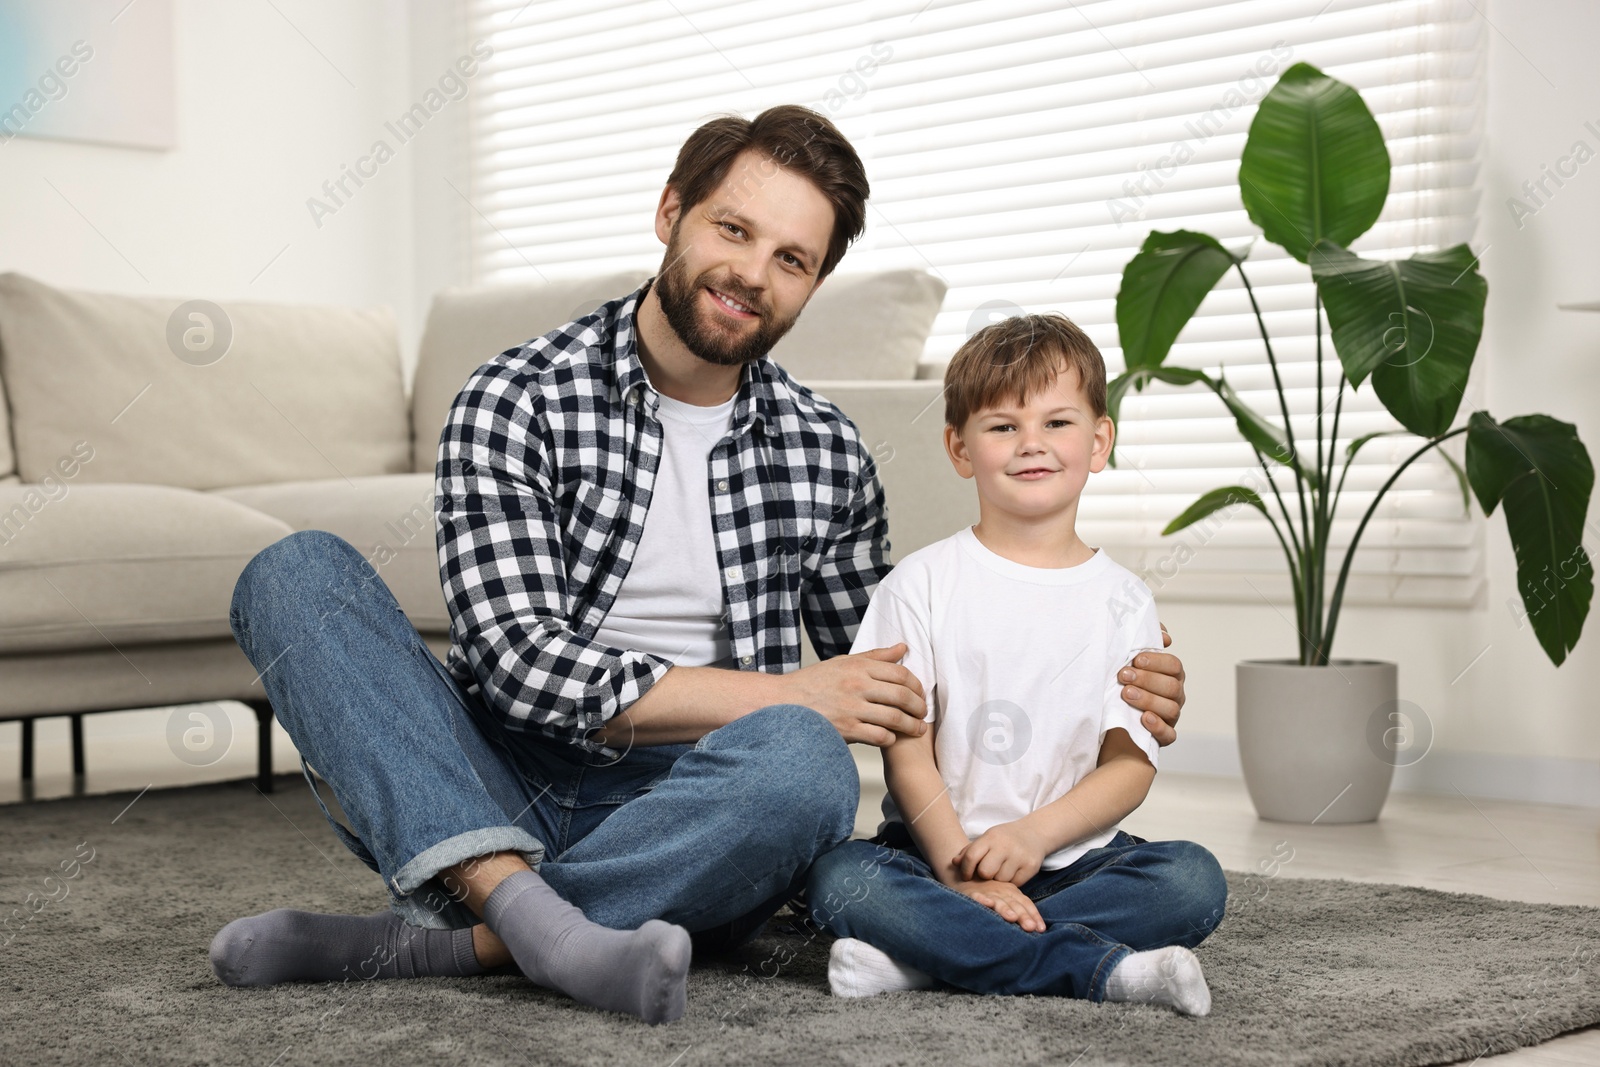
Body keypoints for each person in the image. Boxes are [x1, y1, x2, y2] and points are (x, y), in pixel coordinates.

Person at [208, 105, 1192, 1025]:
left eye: (792, 258)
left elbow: (901, 673)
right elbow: (520, 666)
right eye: (733, 230)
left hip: (709, 805)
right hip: (507, 772)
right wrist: (787, 689)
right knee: (293, 574)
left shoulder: (827, 450)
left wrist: (1095, 658)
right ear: (671, 212)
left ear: (811, 285)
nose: (752, 272)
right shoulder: (515, 396)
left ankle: (466, 935)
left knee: (805, 759)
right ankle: (542, 923)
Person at [806, 313, 1226, 1015]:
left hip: (1075, 862)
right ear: (960, 447)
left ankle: (925, 961)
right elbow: (907, 756)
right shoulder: (918, 584)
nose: (1031, 443)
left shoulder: (1124, 600)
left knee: (1191, 879)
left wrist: (1033, 836)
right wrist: (960, 872)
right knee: (839, 878)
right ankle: (1101, 971)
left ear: (1099, 442)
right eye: (1003, 426)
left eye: (1057, 423)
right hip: (934, 857)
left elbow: (1129, 764)